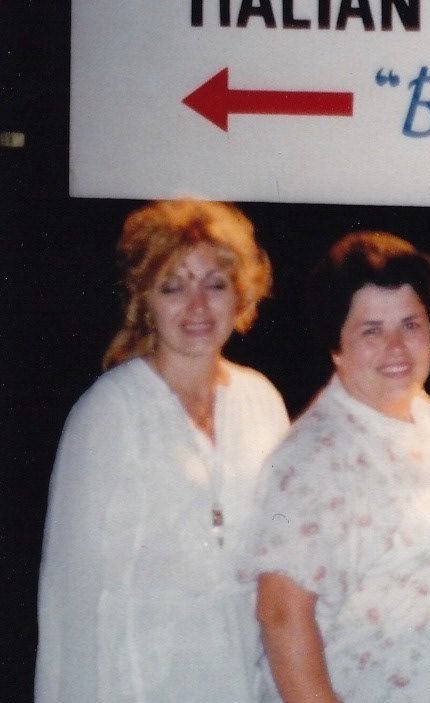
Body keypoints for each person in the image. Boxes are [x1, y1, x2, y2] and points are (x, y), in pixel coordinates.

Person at [36, 199, 289, 702]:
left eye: (214, 285)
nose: (197, 307)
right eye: (172, 287)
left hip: (244, 677)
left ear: (240, 293)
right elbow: (72, 595)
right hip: (144, 682)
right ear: (144, 300)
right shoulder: (109, 413)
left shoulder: (261, 400)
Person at [253, 231, 430, 701]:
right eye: (372, 331)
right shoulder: (313, 459)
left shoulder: (424, 416)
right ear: (335, 345)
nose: (397, 347)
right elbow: (281, 614)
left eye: (411, 324)